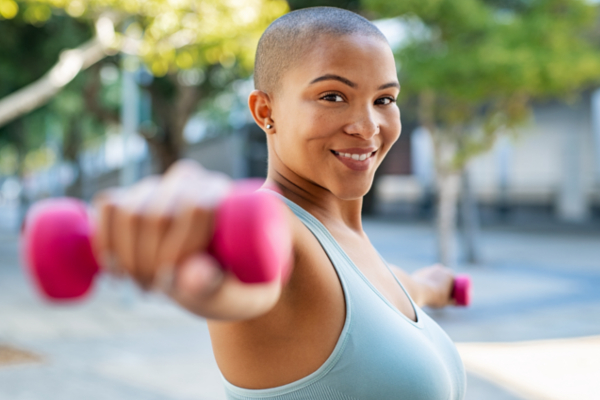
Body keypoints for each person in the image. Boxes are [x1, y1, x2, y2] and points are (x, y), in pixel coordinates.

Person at [93, 7, 466, 400]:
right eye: (333, 96)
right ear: (264, 111)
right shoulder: (278, 232)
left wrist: (436, 287)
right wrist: (199, 232)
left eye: (384, 99)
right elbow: (251, 274)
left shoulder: (348, 242)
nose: (368, 125)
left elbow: (387, 287)